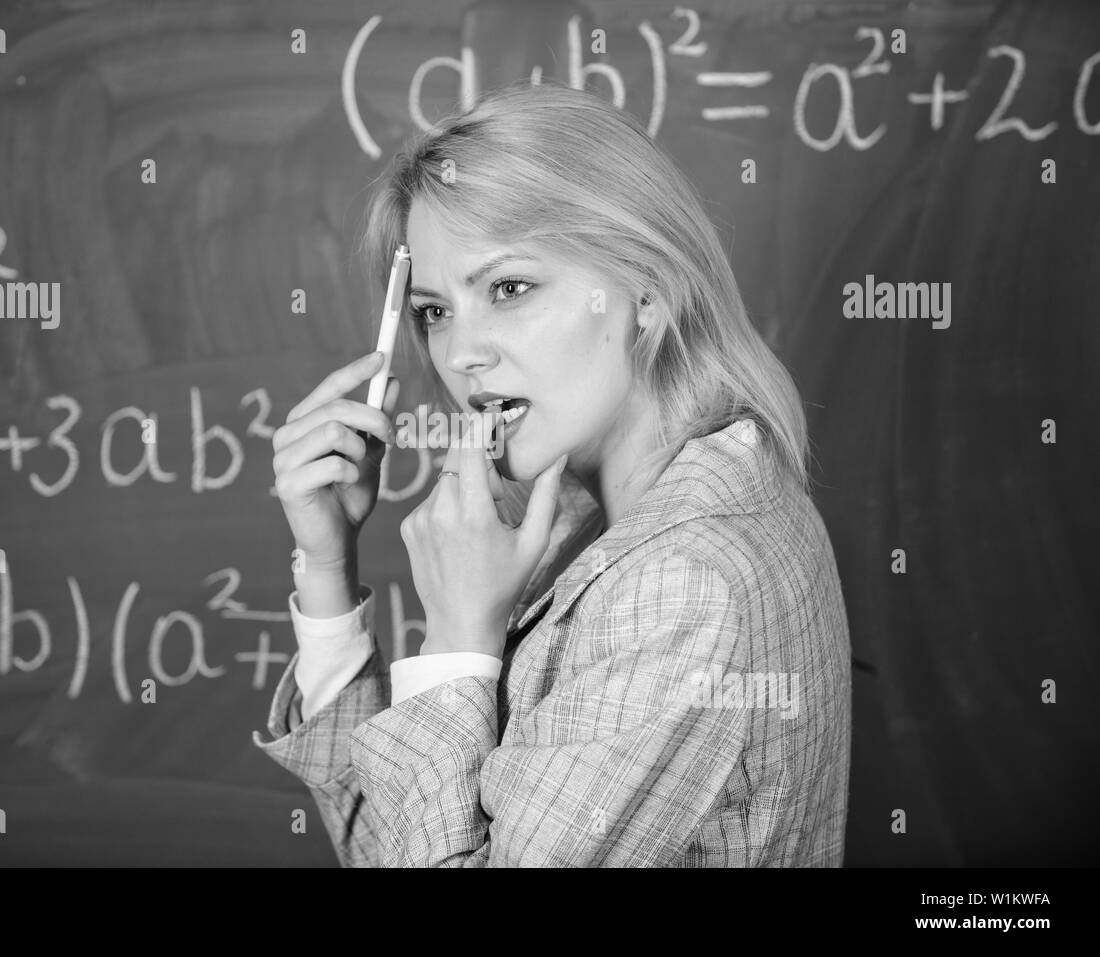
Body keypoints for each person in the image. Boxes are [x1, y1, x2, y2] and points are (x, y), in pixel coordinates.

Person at [253, 80, 851, 867]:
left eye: (509, 287)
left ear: (647, 291)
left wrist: (460, 637)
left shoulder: (682, 586)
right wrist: (330, 573)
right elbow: (408, 844)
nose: (462, 354)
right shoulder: (611, 505)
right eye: (434, 310)